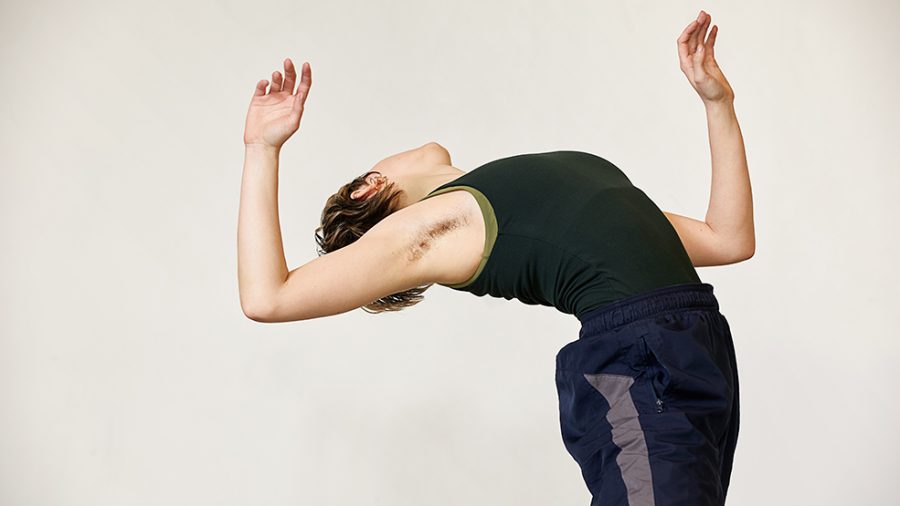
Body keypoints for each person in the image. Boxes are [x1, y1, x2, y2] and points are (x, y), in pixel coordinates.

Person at [238, 9, 752, 506]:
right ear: (369, 189)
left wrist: (718, 104)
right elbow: (267, 297)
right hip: (643, 359)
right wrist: (262, 149)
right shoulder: (433, 225)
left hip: (691, 343)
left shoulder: (508, 199)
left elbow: (728, 239)